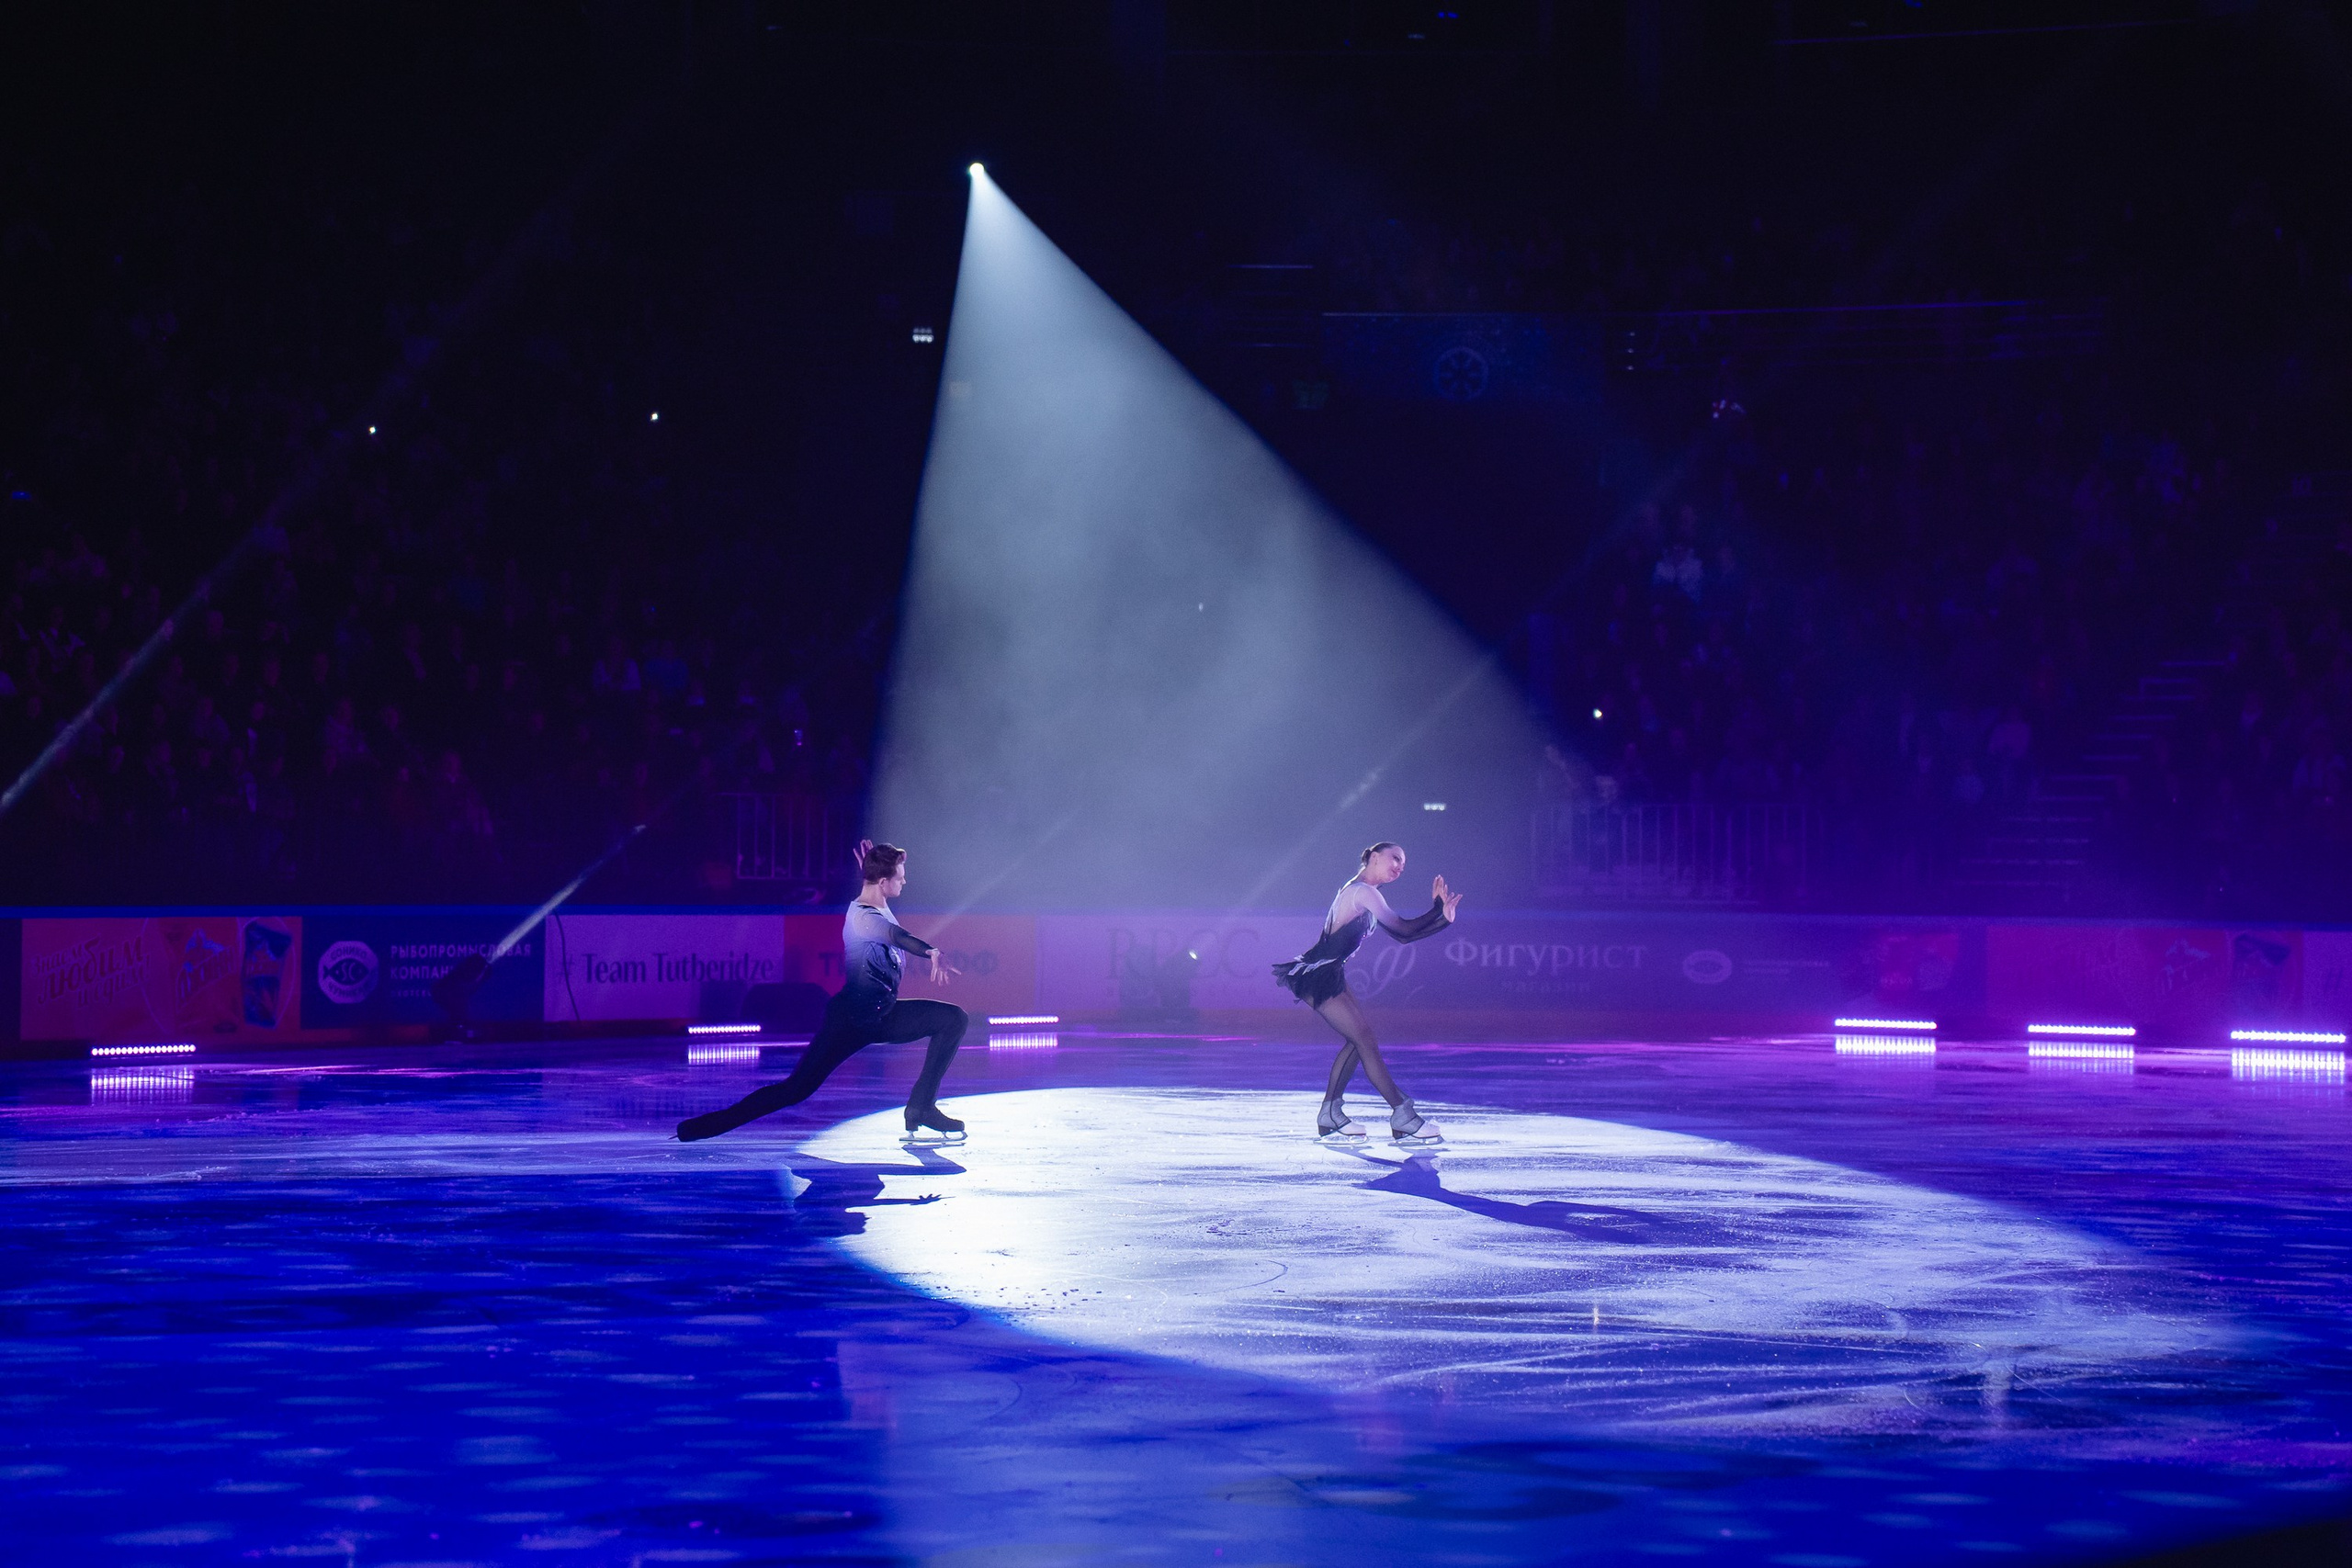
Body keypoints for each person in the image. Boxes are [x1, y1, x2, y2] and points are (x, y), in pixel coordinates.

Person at [676, 840, 968, 1143]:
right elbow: (898, 935)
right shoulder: (865, 918)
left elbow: (876, 892)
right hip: (851, 1021)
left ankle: (921, 1107)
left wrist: (868, 869)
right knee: (795, 1090)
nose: (904, 881)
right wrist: (931, 951)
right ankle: (700, 1128)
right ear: (883, 882)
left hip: (884, 1015)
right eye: (900, 877)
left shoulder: (877, 899)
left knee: (954, 1019)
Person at [1272, 841, 1463, 1145]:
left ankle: (1331, 1114)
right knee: (1364, 1039)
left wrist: (1443, 919)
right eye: (1395, 858)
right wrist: (1437, 911)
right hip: (1320, 974)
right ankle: (1403, 1114)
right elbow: (1403, 929)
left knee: (1359, 1039)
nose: (1399, 867)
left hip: (1329, 972)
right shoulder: (1363, 892)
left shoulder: (1364, 891)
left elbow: (1402, 938)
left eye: (1403, 864)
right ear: (1374, 857)